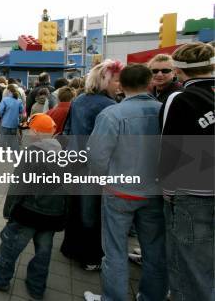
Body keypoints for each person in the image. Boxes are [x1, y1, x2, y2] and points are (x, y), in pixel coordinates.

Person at [84, 64, 166, 301]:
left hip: (119, 191)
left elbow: (97, 156)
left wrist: (102, 180)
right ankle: (152, 296)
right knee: (154, 251)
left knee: (115, 250)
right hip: (155, 191)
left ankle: (113, 298)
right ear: (150, 82)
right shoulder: (165, 110)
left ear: (121, 85)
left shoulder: (112, 114)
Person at [0, 114, 68, 299]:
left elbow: (18, 186)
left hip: (29, 212)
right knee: (43, 251)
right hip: (53, 214)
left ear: (35, 133)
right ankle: (36, 287)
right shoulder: (64, 153)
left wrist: (9, 210)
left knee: (10, 245)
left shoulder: (31, 153)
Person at [158, 42, 214, 300]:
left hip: (192, 194)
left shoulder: (180, 98)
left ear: (178, 71)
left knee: (190, 266)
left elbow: (168, 146)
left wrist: (167, 190)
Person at [60, 59, 124, 271]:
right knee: (92, 212)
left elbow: (67, 129)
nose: (120, 84)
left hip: (75, 161)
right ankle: (90, 257)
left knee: (76, 206)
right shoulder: (110, 107)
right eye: (116, 80)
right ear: (105, 81)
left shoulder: (79, 100)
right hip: (94, 167)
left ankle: (70, 248)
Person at [0, 84, 23, 150]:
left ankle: (2, 154)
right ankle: (15, 155)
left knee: (3, 139)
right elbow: (21, 111)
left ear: (9, 91)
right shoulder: (19, 101)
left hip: (5, 123)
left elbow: (0, 110)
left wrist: (1, 116)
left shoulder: (5, 100)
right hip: (14, 123)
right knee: (13, 140)